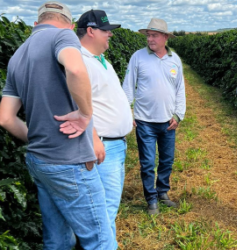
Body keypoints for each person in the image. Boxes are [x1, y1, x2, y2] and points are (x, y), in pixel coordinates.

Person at [0, 2, 113, 249]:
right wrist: (85, 114)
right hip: (69, 160)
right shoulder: (63, 36)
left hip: (39, 160)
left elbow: (5, 118)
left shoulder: (17, 55)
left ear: (35, 24)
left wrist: (39, 138)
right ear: (71, 25)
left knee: (57, 239)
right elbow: (75, 67)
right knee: (100, 240)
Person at [76, 9, 133, 249]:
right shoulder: (79, 63)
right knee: (103, 211)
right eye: (106, 31)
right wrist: (95, 138)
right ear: (90, 31)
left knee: (109, 207)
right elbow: (76, 106)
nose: (110, 35)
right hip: (102, 147)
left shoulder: (102, 60)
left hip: (115, 144)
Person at [122, 18, 186, 215]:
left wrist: (178, 114)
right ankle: (151, 199)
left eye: (154, 35)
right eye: (148, 35)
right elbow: (128, 85)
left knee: (167, 160)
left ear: (165, 37)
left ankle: (163, 192)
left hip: (168, 121)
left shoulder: (174, 60)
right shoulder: (138, 57)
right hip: (145, 121)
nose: (150, 39)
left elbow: (180, 89)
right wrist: (127, 111)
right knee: (148, 162)